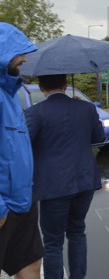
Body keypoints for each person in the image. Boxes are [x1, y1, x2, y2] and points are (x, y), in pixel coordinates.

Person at [25, 74, 104, 278]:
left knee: (53, 242)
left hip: (53, 185)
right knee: (77, 231)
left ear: (42, 88)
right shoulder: (86, 108)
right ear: (66, 85)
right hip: (85, 181)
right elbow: (99, 137)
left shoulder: (35, 112)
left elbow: (24, 145)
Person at [0, 23, 42, 279]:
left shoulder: (10, 92)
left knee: (31, 265)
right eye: (20, 52)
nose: (25, 59)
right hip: (3, 207)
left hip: (23, 202)